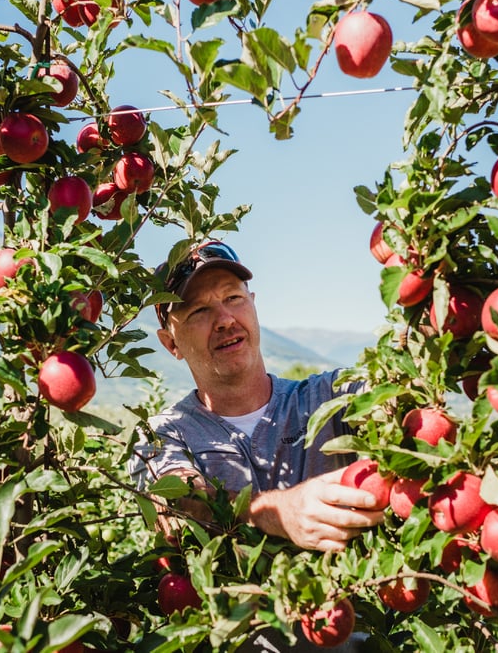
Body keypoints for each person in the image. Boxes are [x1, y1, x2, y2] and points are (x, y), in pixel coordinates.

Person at [132, 240, 382, 652]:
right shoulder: (162, 433)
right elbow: (178, 503)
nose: (225, 319)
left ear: (254, 305)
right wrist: (273, 512)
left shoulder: (326, 398)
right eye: (199, 311)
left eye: (233, 298)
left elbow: (398, 387)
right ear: (170, 343)